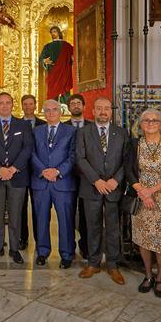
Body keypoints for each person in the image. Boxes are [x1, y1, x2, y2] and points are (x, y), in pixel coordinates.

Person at [76, 97, 129, 284]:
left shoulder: (121, 133)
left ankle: (113, 265)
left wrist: (116, 179)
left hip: (114, 188)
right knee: (93, 226)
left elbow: (127, 160)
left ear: (111, 111)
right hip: (92, 187)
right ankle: (93, 262)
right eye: (99, 108)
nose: (103, 112)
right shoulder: (83, 132)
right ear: (93, 111)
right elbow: (80, 158)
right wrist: (96, 180)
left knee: (113, 228)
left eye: (106, 109)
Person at [126, 108, 161, 298]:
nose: (150, 123)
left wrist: (152, 191)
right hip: (140, 199)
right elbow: (129, 170)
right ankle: (148, 275)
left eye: (155, 120)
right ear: (140, 124)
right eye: (146, 120)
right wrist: (142, 192)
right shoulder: (134, 144)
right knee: (143, 239)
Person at [0, 92, 33, 264]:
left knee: (16, 214)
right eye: (1, 103)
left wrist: (13, 168)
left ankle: (14, 248)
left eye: (8, 103)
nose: (4, 106)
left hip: (17, 176)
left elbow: (27, 148)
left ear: (13, 105)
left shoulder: (23, 125)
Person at [30, 99, 77, 268]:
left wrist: (57, 171)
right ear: (43, 112)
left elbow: (73, 156)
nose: (51, 113)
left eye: (54, 110)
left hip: (62, 182)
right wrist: (43, 171)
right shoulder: (36, 131)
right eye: (47, 110)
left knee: (65, 220)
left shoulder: (71, 131)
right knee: (41, 219)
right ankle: (42, 252)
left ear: (61, 112)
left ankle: (67, 254)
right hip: (40, 182)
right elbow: (32, 153)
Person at [64, 93, 92, 259]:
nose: (75, 106)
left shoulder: (91, 126)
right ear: (68, 107)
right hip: (68, 176)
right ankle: (69, 247)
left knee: (85, 212)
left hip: (87, 177)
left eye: (78, 103)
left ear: (83, 106)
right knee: (68, 212)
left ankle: (85, 246)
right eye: (72, 103)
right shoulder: (63, 127)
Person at [19, 94, 44, 250]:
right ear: (22, 106)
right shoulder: (16, 124)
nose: (28, 107)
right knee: (20, 207)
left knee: (38, 207)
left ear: (35, 106)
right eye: (25, 104)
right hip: (21, 171)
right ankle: (23, 238)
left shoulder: (43, 124)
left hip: (38, 172)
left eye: (31, 104)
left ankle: (39, 239)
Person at [39, 25, 74, 104]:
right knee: (53, 91)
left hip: (64, 73)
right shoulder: (47, 46)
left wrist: (72, 59)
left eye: (54, 31)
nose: (52, 34)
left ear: (59, 32)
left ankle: (66, 107)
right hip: (53, 72)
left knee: (65, 92)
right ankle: (52, 106)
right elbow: (41, 59)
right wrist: (44, 61)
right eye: (51, 32)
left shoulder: (67, 46)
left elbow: (74, 57)